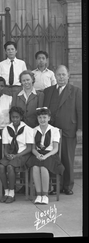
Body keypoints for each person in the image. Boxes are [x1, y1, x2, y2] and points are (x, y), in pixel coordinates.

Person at [43, 65, 82, 196]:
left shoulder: (75, 91)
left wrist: (79, 129)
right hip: (52, 131)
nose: (61, 77)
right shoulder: (48, 91)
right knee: (53, 158)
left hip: (69, 130)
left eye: (63, 74)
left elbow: (80, 111)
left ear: (68, 75)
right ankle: (55, 186)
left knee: (67, 158)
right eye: (58, 75)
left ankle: (68, 185)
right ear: (55, 76)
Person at [26, 107, 65, 204]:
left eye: (44, 117)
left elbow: (55, 148)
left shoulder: (54, 130)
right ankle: (39, 195)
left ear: (49, 118)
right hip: (38, 153)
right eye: (40, 117)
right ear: (37, 119)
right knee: (35, 167)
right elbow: (33, 148)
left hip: (50, 154)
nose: (42, 120)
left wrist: (45, 156)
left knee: (43, 166)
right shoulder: (33, 130)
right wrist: (38, 155)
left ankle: (45, 195)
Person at [0, 106, 33, 203]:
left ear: (21, 117)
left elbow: (29, 148)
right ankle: (6, 191)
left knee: (9, 166)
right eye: (13, 117)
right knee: (0, 166)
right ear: (10, 118)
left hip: (22, 155)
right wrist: (7, 154)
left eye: (17, 117)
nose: (15, 119)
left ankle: (12, 193)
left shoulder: (27, 129)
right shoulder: (6, 129)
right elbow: (5, 146)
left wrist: (16, 156)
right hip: (10, 154)